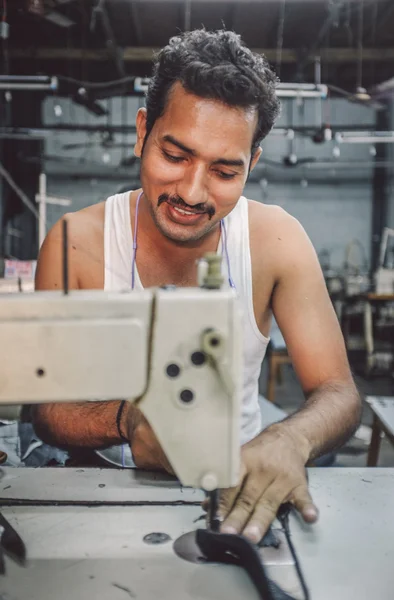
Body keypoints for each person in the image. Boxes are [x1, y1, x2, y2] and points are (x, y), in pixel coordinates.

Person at [32, 29, 361, 544]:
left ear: (251, 164)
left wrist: (290, 439)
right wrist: (129, 421)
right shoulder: (77, 243)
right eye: (176, 154)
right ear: (143, 131)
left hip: (236, 493)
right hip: (96, 489)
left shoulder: (276, 241)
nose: (191, 191)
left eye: (224, 170)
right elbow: (45, 412)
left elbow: (339, 392)